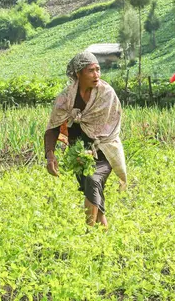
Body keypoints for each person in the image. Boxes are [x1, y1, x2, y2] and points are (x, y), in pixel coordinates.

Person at [44, 51, 126, 227]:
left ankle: (89, 232)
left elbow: (111, 126)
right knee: (91, 189)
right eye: (91, 71)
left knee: (93, 180)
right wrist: (50, 156)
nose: (96, 74)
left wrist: (93, 148)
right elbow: (53, 128)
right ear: (78, 74)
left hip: (104, 149)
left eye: (98, 70)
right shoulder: (66, 98)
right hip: (78, 153)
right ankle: (102, 234)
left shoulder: (106, 94)